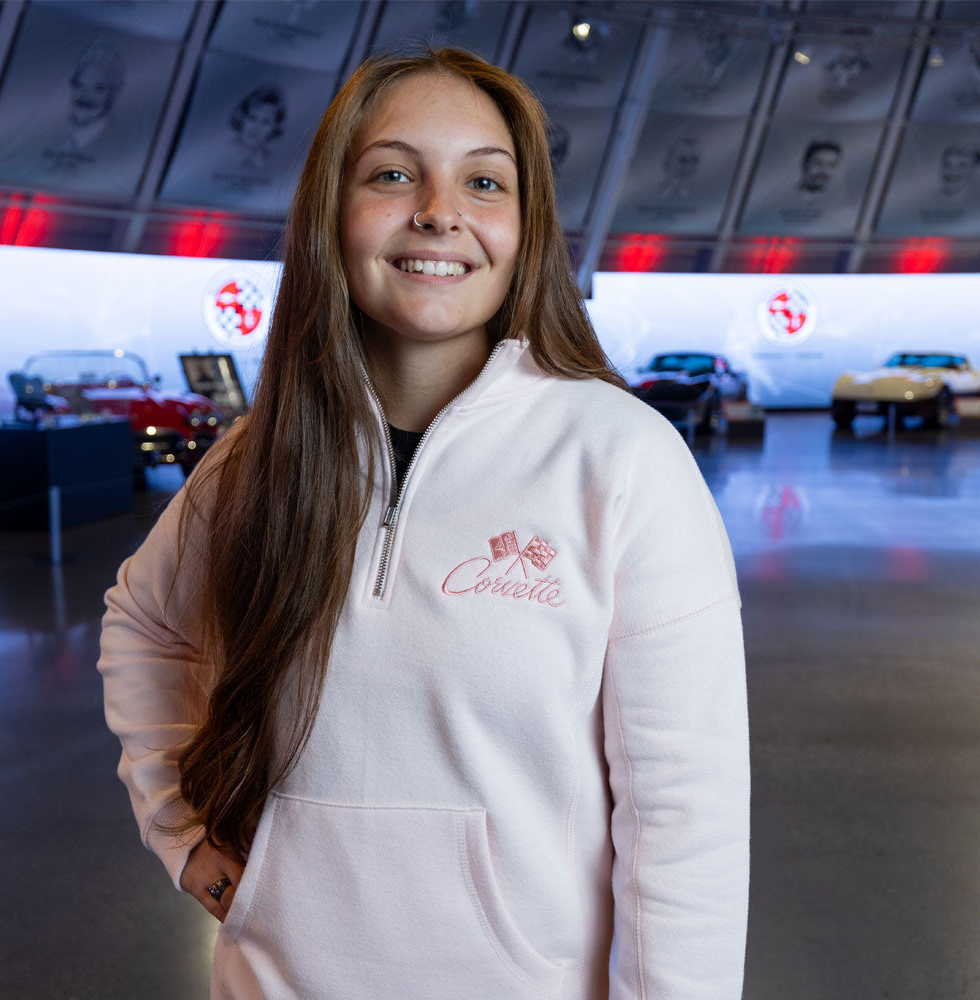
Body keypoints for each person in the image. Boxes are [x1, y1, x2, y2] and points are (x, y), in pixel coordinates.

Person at [98, 48, 749, 999]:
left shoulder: (622, 459)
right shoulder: (256, 458)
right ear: (333, 214)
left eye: (483, 181)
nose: (439, 210)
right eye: (394, 173)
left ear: (526, 231)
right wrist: (180, 827)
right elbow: (145, 621)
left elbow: (686, 815)